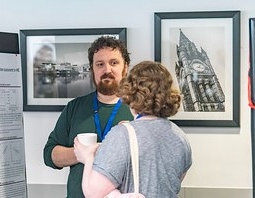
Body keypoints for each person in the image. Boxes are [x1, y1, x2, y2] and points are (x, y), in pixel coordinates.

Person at [74, 60, 192, 198]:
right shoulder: (180, 137)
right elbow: (172, 182)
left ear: (131, 93)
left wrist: (88, 158)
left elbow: (94, 193)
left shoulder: (122, 134)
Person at [43, 36, 134, 197]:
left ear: (125, 67)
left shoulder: (138, 109)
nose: (107, 70)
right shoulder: (74, 108)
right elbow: (50, 155)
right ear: (92, 69)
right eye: (100, 64)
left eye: (114, 63)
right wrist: (82, 154)